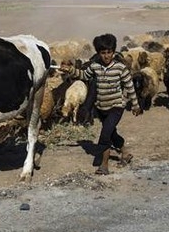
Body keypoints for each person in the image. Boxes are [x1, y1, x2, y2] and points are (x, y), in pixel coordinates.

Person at [60, 33, 142, 175]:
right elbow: (84, 75)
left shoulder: (120, 68)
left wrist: (135, 105)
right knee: (111, 133)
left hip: (116, 106)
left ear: (114, 51)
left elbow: (129, 86)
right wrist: (71, 70)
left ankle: (104, 166)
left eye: (109, 52)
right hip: (101, 107)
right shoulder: (95, 66)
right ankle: (126, 153)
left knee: (105, 135)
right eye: (103, 53)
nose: (106, 56)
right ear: (98, 53)